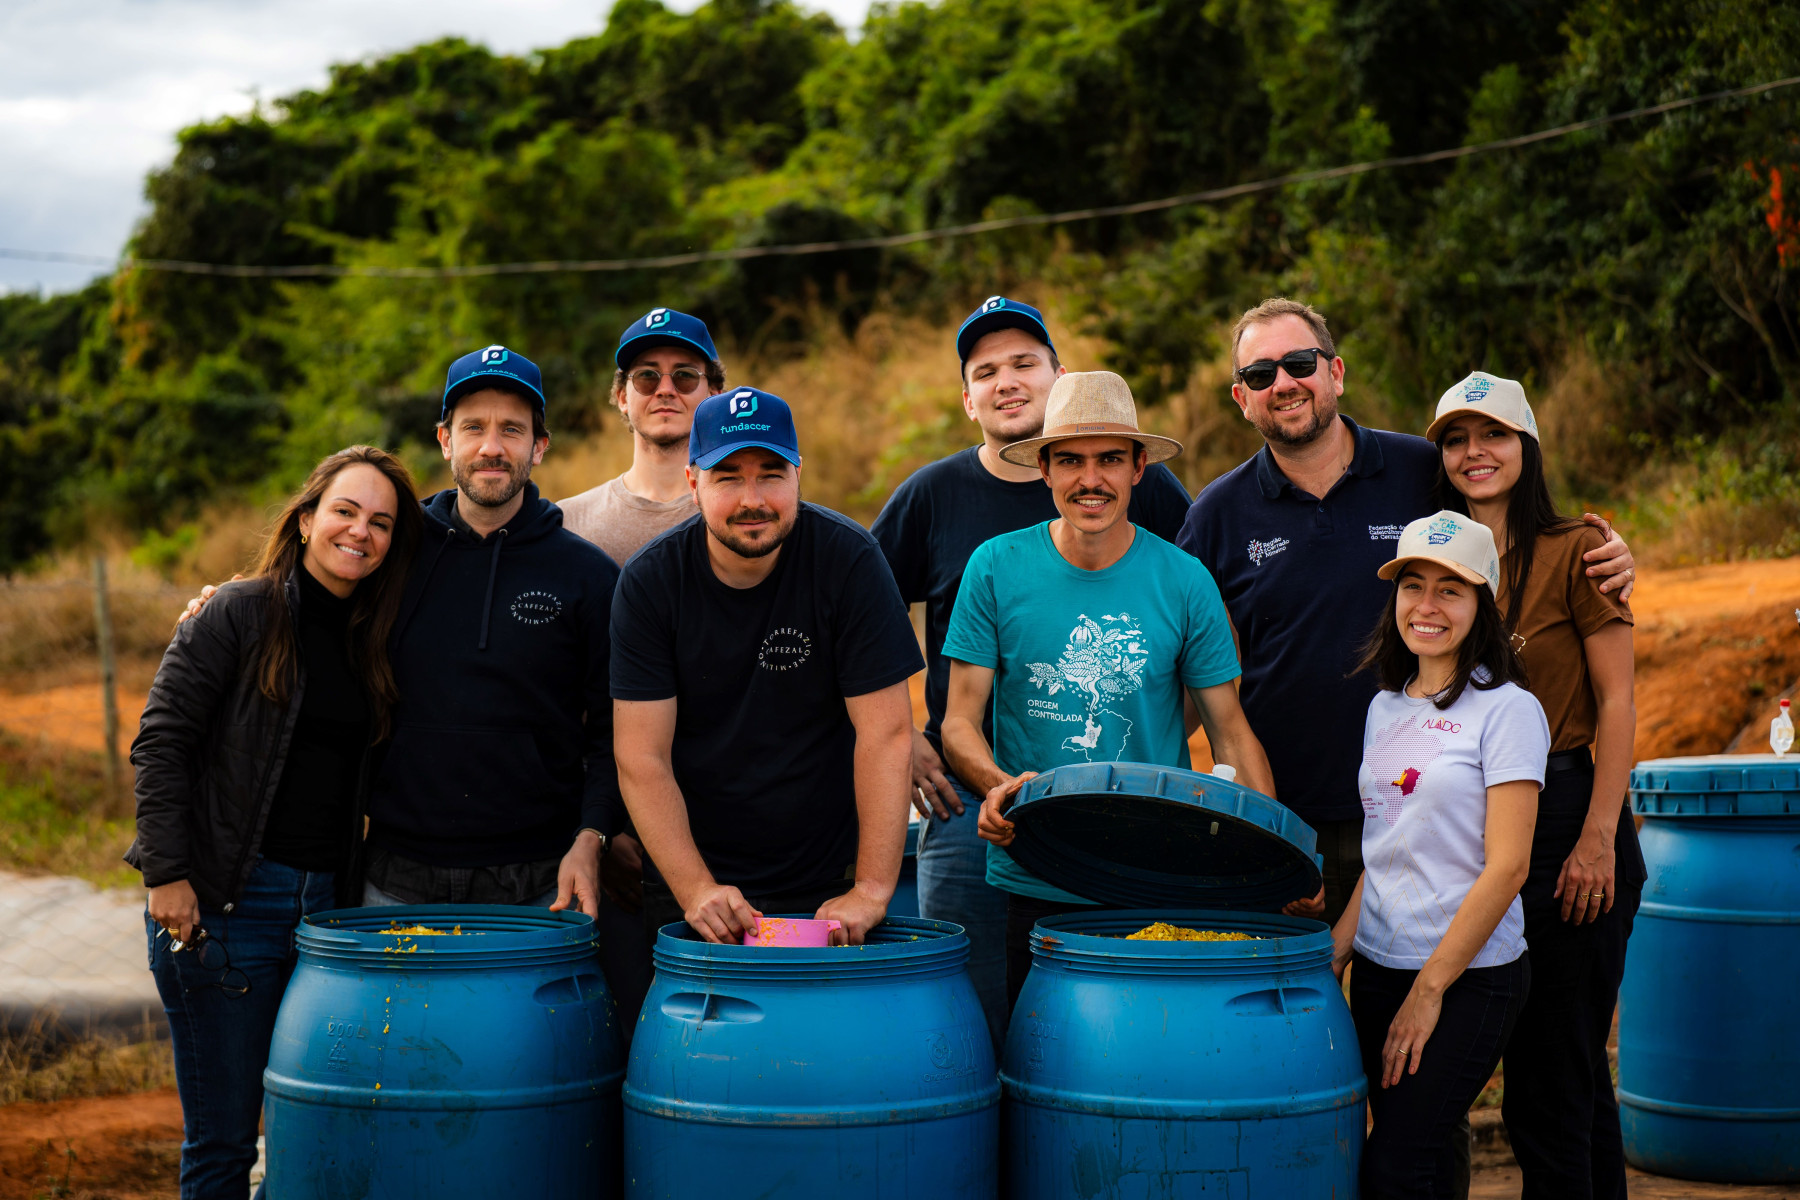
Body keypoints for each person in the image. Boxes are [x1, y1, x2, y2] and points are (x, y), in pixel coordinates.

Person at [1177, 297, 1636, 928]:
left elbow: (1506, 511)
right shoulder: (1216, 514)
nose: (1283, 383)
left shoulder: (1421, 473)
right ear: (1241, 398)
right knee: (1292, 1011)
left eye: (1299, 363)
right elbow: (1184, 653)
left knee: (1405, 1001)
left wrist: (1604, 550)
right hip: (1285, 814)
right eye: (1261, 375)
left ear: (1335, 372)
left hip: (1427, 807)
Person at [179, 346, 622, 917]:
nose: (491, 446)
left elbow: (612, 733)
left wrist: (592, 837)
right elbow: (306, 597)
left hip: (538, 883)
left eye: (512, 429)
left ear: (539, 446)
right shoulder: (391, 548)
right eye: (473, 428)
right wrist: (228, 602)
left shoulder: (588, 576)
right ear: (444, 440)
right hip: (393, 874)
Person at [872, 295, 1191, 1046]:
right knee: (969, 1016)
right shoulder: (933, 495)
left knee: (1111, 1024)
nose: (1006, 381)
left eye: (1024, 363)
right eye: (986, 371)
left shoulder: (1145, 490)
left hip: (1120, 803)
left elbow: (1196, 609)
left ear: (1060, 375)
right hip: (967, 802)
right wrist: (903, 736)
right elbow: (858, 619)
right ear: (966, 396)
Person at [129, 446, 423, 1200]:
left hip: (327, 916)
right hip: (227, 909)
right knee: (225, 1142)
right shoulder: (236, 612)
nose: (360, 532)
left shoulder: (372, 639)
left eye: (381, 523)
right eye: (345, 512)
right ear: (304, 519)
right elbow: (162, 740)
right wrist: (166, 874)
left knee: (311, 1129)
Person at [937, 370, 1276, 1013]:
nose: (1090, 480)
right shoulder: (994, 567)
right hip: (1036, 862)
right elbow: (958, 722)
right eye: (1070, 460)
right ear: (1044, 468)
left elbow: (1230, 727)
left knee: (1149, 1050)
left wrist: (1276, 854)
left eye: (1109, 460)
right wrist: (997, 785)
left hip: (1155, 864)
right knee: (1043, 1056)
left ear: (1138, 467)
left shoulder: (1184, 579)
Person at [1427, 372, 1641, 1200]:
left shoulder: (1579, 550)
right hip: (1484, 825)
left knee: (1554, 1089)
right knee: (1570, 1082)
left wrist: (1597, 837)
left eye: (1493, 436)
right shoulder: (1441, 561)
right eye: (1455, 439)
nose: (1475, 454)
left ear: (1527, 446)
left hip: (1568, 815)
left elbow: (1618, 700)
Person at [610, 386, 922, 945]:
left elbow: (887, 733)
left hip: (826, 880)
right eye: (727, 477)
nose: (752, 498)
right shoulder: (651, 582)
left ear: (798, 474)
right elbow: (641, 754)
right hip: (691, 875)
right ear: (693, 483)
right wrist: (695, 889)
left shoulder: (848, 561)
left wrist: (872, 889)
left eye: (771, 473)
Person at [1332, 510, 1544, 1200]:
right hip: (1380, 964)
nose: (1426, 606)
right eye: (1412, 585)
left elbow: (1509, 866)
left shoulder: (1508, 710)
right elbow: (1386, 846)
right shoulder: (1385, 708)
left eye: (1450, 589)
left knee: (1394, 1163)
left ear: (1482, 603)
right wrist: (1335, 952)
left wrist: (1429, 992)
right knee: (1414, 1158)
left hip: (1468, 975)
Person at [556, 307, 725, 1031]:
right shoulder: (567, 525)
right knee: (620, 1038)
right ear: (618, 396)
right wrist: (598, 828)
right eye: (645, 377)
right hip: (608, 835)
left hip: (734, 819)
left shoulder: (755, 509)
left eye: (686, 377)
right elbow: (558, 698)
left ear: (715, 391)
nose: (665, 389)